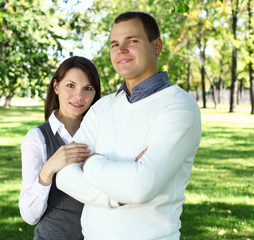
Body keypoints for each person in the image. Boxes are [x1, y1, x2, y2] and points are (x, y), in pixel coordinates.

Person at [56, 12, 202, 239]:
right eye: (115, 44)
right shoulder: (103, 106)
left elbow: (140, 187)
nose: (121, 50)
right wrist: (117, 196)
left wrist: (90, 163)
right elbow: (64, 175)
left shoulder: (179, 107)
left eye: (132, 41)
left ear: (157, 46)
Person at [19, 56, 102, 240]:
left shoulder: (101, 134)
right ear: (56, 86)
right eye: (70, 85)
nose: (79, 96)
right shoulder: (37, 138)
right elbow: (29, 216)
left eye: (87, 88)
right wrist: (48, 169)